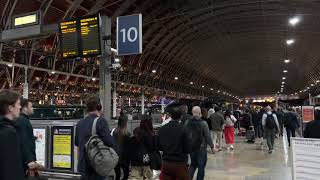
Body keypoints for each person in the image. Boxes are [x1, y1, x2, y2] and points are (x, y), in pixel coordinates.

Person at [75, 96, 116, 180]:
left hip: (83, 168)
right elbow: (110, 143)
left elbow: (77, 145)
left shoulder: (79, 123)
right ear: (99, 107)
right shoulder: (101, 121)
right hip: (95, 167)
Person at [158, 105, 192, 180]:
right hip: (180, 163)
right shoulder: (184, 130)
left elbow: (159, 146)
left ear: (170, 115)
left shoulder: (162, 129)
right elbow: (188, 149)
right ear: (181, 117)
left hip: (166, 163)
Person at [0, 90, 24, 180]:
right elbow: (11, 167)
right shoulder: (8, 132)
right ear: (10, 108)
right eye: (18, 104)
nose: (20, 107)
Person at [188, 106, 214, 180]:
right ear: (200, 113)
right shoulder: (203, 123)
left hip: (191, 147)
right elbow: (207, 136)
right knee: (201, 166)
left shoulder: (188, 122)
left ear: (192, 113)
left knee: (193, 164)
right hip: (201, 148)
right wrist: (212, 147)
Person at [127, 115, 154, 180]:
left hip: (135, 163)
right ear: (150, 123)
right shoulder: (151, 136)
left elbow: (130, 149)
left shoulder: (136, 134)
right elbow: (152, 149)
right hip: (147, 163)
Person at [16, 98, 37, 174]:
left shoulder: (23, 120)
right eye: (31, 106)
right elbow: (23, 141)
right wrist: (29, 160)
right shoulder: (23, 121)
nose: (32, 108)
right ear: (25, 108)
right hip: (24, 162)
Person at [113, 116, 130, 180]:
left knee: (117, 174)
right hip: (124, 156)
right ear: (125, 123)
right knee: (126, 175)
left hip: (116, 155)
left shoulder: (115, 132)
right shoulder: (127, 133)